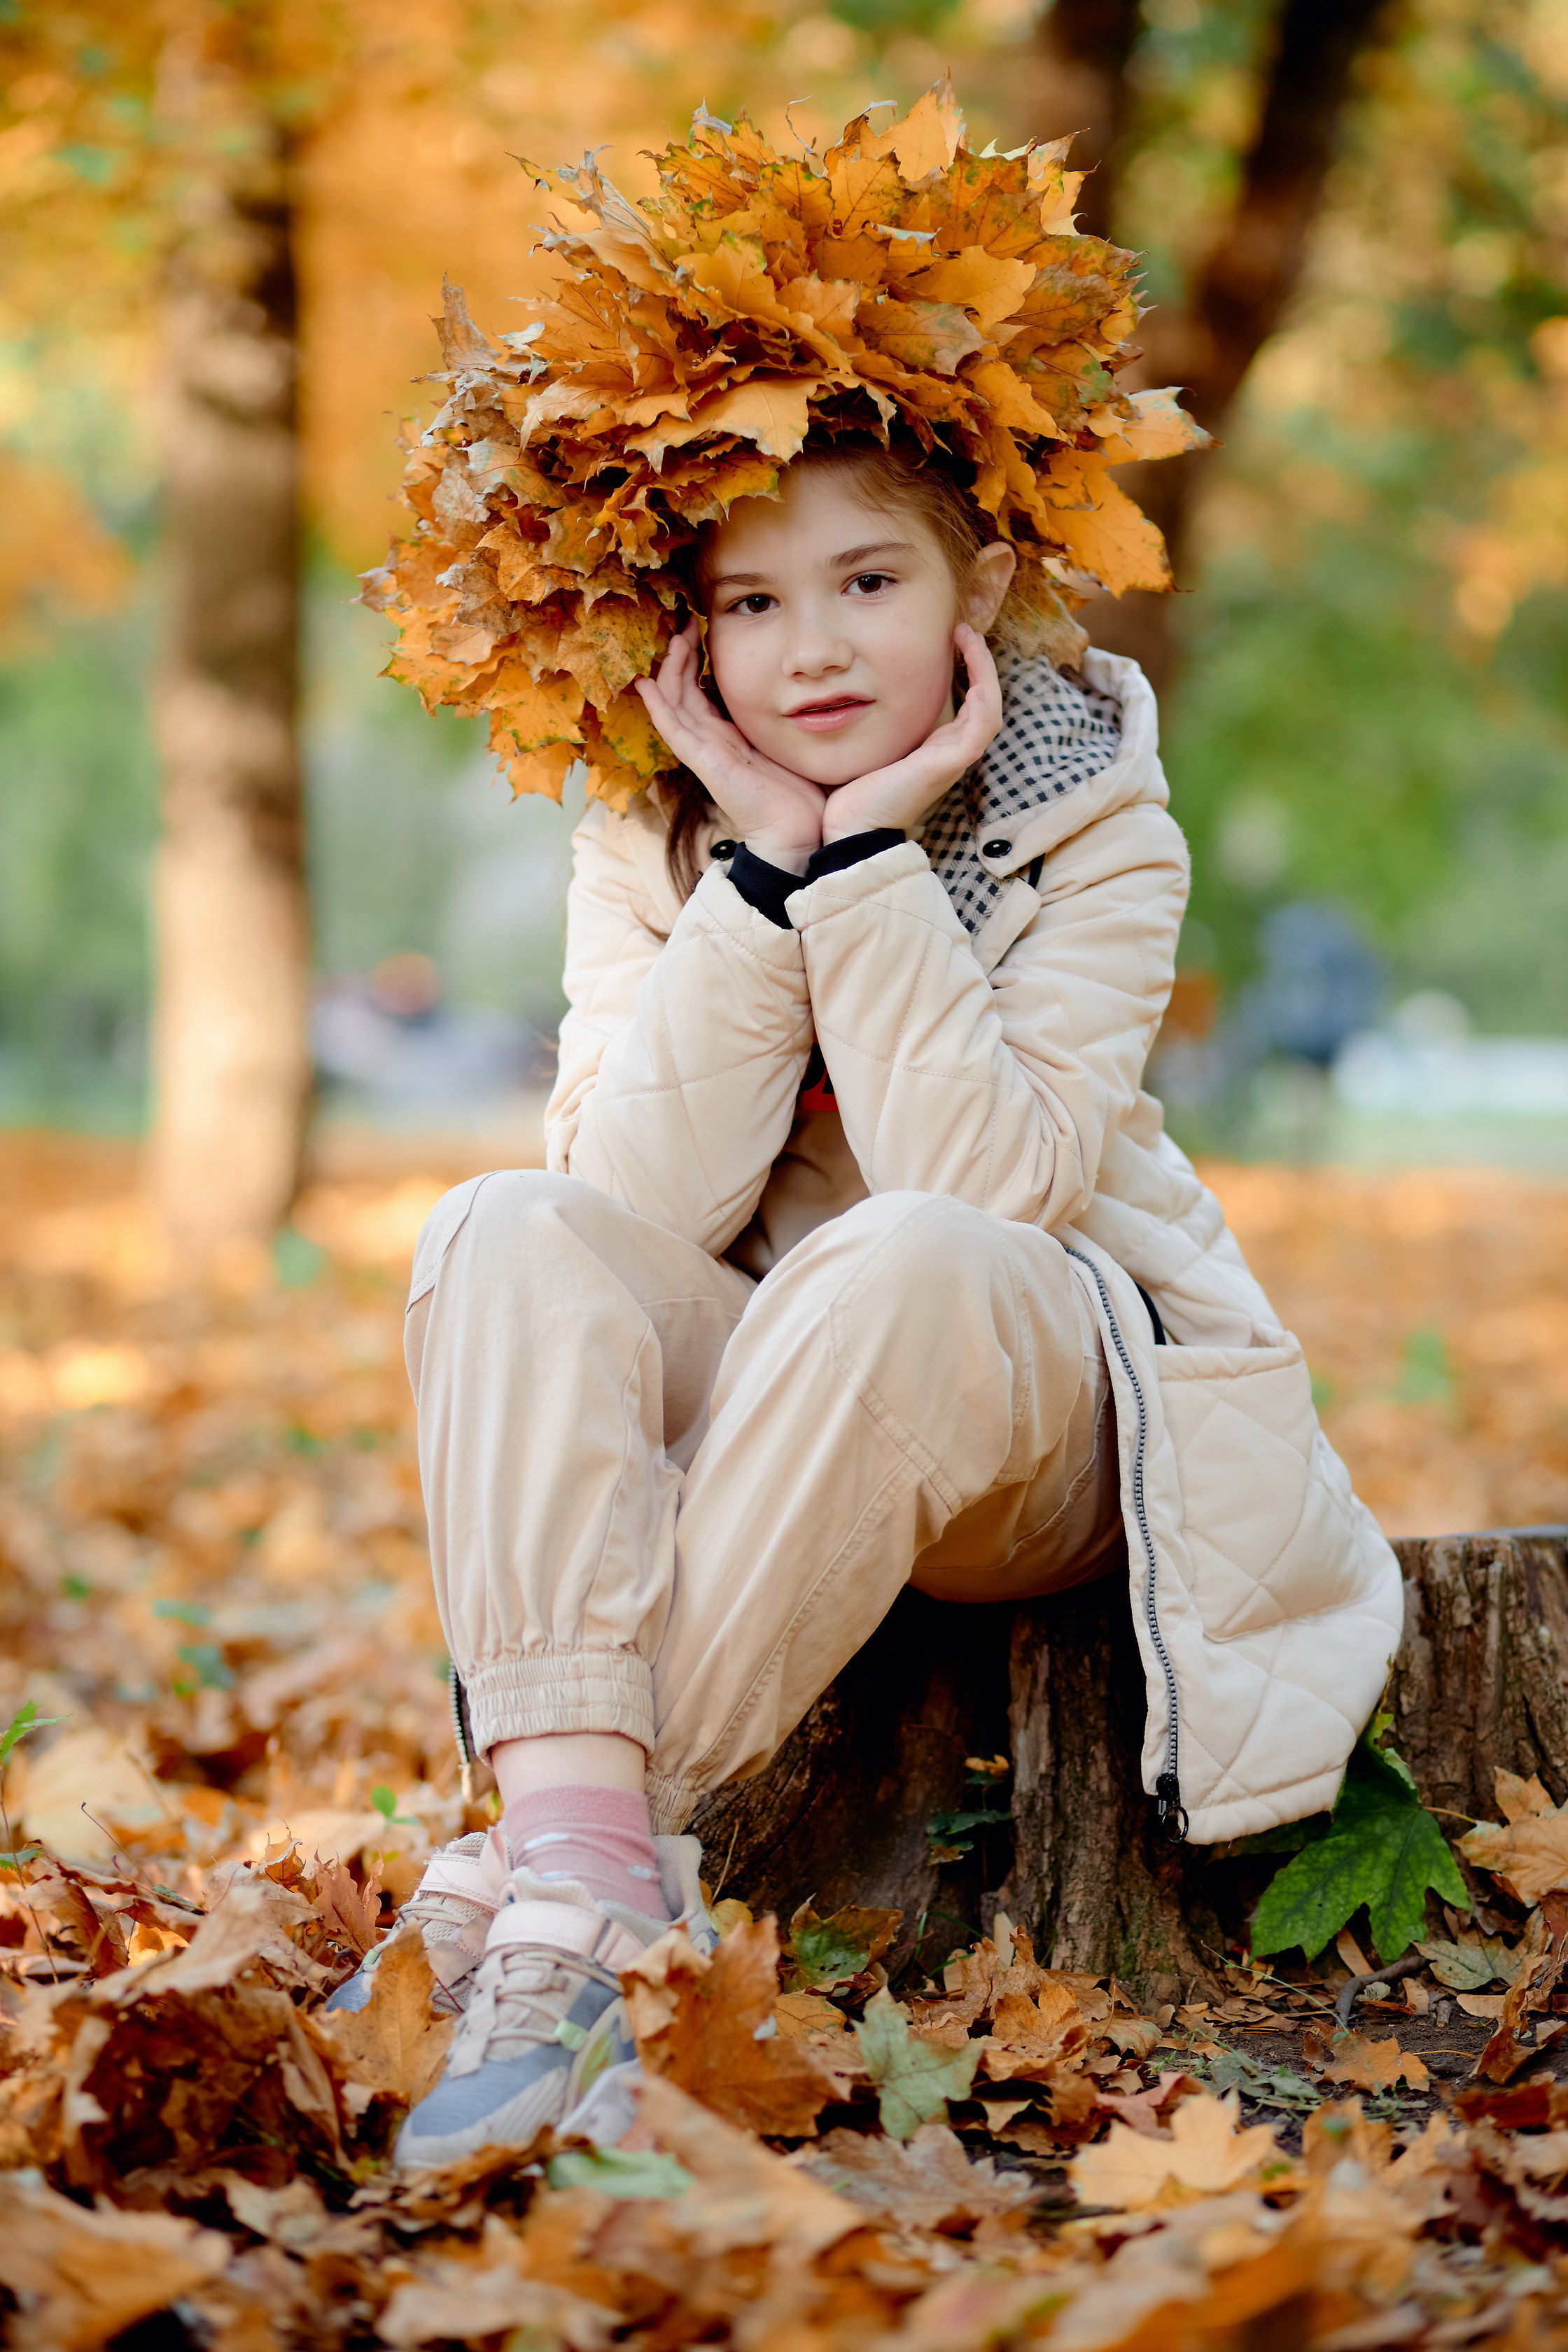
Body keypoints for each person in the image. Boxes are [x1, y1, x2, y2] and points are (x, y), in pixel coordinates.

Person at [338, 87, 1404, 2167]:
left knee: (894, 1254)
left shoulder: (1097, 813)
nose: (811, 648)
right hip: (777, 1390)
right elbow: (624, 1210)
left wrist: (874, 870)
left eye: (863, 582)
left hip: (1046, 1398)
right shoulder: (651, 841)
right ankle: (595, 1879)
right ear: (686, 637)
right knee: (500, 1232)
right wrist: (755, 878)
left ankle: (563, 1850)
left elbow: (986, 1193)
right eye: (748, 603)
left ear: (978, 585)